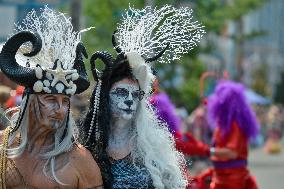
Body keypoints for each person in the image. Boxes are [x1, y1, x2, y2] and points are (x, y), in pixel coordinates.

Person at [82, 5, 205, 189]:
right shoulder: (87, 147)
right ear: (105, 97)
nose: (130, 99)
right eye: (122, 92)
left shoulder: (153, 147)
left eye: (135, 94)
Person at [0, 7, 102, 188]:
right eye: (50, 99)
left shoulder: (80, 160)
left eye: (65, 101)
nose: (60, 109)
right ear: (30, 102)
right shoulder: (2, 145)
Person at [206, 80, 259, 189]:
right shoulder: (223, 124)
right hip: (220, 176)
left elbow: (232, 153)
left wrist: (206, 150)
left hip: (232, 180)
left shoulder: (235, 125)